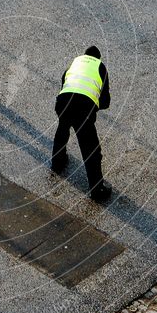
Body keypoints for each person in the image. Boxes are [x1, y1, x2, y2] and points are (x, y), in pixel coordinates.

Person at [51, 46, 112, 201]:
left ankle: (58, 163)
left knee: (62, 130)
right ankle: (97, 190)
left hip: (62, 102)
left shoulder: (74, 63)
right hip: (83, 109)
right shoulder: (100, 67)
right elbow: (105, 102)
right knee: (90, 148)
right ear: (98, 58)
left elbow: (65, 83)